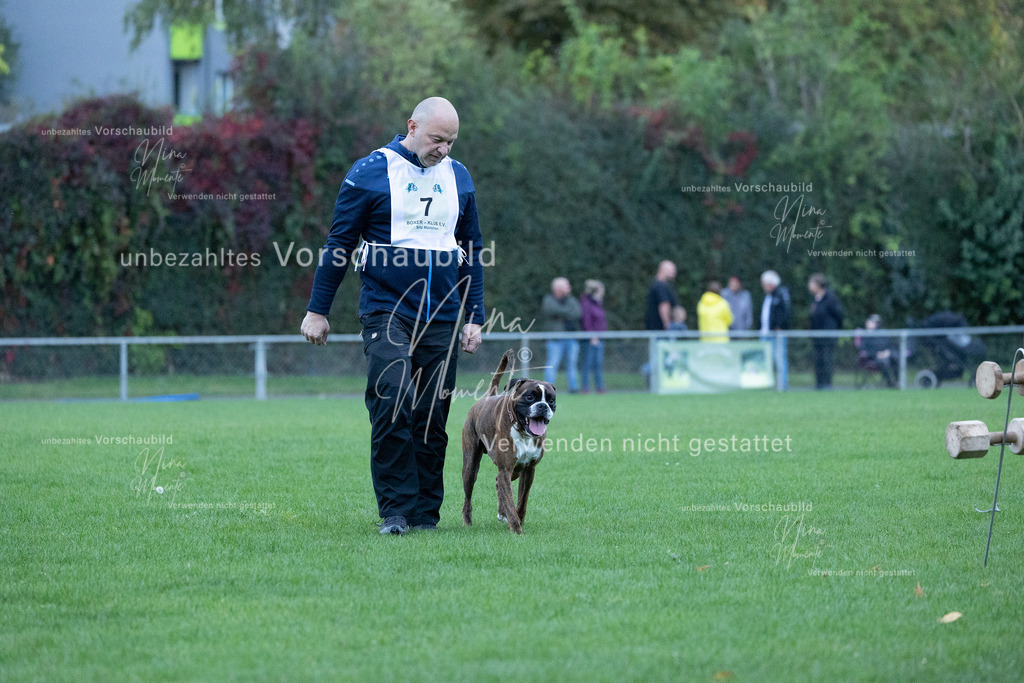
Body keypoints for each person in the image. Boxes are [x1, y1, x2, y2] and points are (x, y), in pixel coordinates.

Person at [300, 96, 485, 536]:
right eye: (438, 139)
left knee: (431, 414)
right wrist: (317, 311)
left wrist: (474, 315)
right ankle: (396, 512)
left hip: (442, 314)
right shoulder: (369, 172)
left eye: (452, 142)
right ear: (412, 127)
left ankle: (425, 514)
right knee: (392, 397)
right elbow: (339, 243)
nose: (444, 149)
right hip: (386, 309)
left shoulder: (458, 177)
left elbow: (472, 249)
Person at [542, 277, 581, 393]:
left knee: (572, 364)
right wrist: (566, 312)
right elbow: (550, 310)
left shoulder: (571, 300)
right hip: (555, 340)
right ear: (558, 288)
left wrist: (561, 312)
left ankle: (574, 388)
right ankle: (548, 389)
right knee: (552, 364)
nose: (569, 288)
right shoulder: (549, 300)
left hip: (571, 338)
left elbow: (577, 313)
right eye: (566, 285)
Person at [808, 273, 844, 390]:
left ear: (818, 284)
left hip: (828, 336)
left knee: (826, 359)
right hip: (816, 336)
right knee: (818, 360)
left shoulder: (830, 298)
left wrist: (834, 330)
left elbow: (838, 315)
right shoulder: (814, 299)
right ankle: (819, 384)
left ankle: (827, 384)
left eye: (812, 283)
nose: (809, 286)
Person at [760, 270, 791, 390]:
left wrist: (779, 326)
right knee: (766, 360)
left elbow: (786, 312)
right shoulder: (769, 296)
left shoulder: (780, 294)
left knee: (780, 359)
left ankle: (782, 385)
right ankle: (767, 384)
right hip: (765, 333)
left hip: (776, 334)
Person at [580, 279, 607, 394]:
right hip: (591, 340)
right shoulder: (587, 304)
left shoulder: (598, 303)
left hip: (599, 338)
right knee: (587, 363)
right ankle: (585, 387)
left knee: (598, 364)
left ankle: (599, 387)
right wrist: (592, 336)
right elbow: (586, 321)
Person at [859, 314, 896, 387]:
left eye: (875, 322)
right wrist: (877, 354)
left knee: (895, 357)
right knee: (884, 362)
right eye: (872, 322)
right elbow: (864, 351)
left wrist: (888, 352)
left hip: (886, 355)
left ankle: (898, 381)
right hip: (872, 358)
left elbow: (890, 345)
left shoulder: (882, 333)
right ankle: (889, 383)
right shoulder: (865, 335)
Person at [645, 260, 679, 330]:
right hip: (660, 329)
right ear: (663, 270)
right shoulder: (660, 286)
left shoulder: (659, 285)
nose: (674, 272)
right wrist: (667, 323)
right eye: (671, 270)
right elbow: (664, 305)